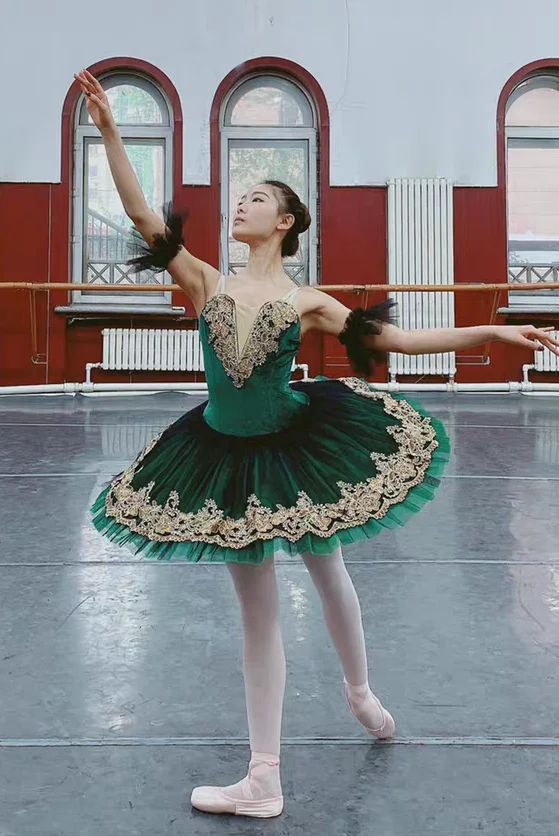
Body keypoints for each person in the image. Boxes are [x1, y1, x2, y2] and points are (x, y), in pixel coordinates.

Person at [75, 69, 559, 819]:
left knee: (328, 570)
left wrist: (493, 329)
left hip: (294, 444)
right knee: (257, 610)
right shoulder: (205, 281)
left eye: (258, 198)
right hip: (222, 456)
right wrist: (108, 130)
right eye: (241, 197)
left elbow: (396, 338)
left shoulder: (308, 303)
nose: (242, 203)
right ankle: (262, 776)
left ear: (287, 223)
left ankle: (359, 690)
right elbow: (143, 216)